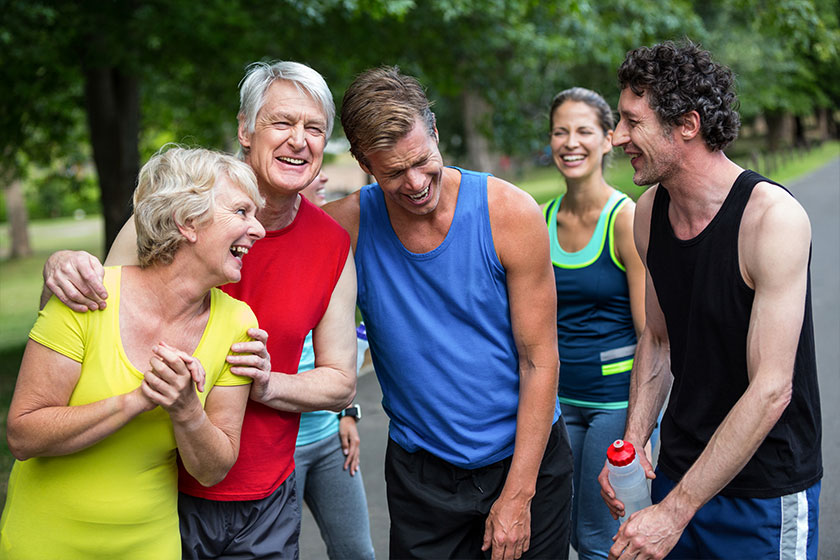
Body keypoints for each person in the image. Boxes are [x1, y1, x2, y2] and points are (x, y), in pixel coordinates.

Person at [39, 61, 358, 559]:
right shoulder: (174, 218)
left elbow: (340, 381)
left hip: (265, 498)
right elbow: (92, 312)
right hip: (162, 488)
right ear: (244, 130)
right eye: (282, 123)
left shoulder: (332, 245)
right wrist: (59, 270)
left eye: (314, 128)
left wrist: (271, 383)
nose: (300, 140)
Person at [324, 66, 573, 560]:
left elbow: (539, 360)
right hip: (423, 479)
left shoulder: (509, 213)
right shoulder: (344, 229)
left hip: (525, 460)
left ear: (435, 132)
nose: (416, 183)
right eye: (394, 172)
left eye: (423, 160)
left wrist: (519, 497)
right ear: (363, 163)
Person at [597, 41, 822, 560]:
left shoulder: (771, 219)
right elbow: (657, 337)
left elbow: (772, 389)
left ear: (688, 124)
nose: (618, 137)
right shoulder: (647, 212)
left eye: (633, 121)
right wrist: (631, 447)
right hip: (677, 471)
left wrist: (675, 512)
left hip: (764, 491)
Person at [0, 147, 265, 558]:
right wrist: (137, 400)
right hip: (45, 540)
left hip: (148, 544)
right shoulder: (88, 295)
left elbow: (213, 469)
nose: (258, 230)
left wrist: (186, 410)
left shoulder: (237, 323)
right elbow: (23, 434)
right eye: (242, 212)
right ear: (188, 222)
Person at [543, 87, 646, 560]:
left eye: (583, 131)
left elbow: (652, 334)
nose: (571, 142)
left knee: (595, 537)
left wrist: (646, 425)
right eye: (560, 131)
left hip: (614, 404)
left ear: (608, 139)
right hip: (557, 404)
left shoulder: (624, 219)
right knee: (561, 532)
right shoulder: (538, 220)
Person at [294, 172, 375, 559]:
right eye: (311, 172)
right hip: (281, 449)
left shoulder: (328, 243)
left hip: (329, 441)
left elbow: (342, 348)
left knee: (357, 552)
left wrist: (348, 413)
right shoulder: (247, 242)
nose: (323, 175)